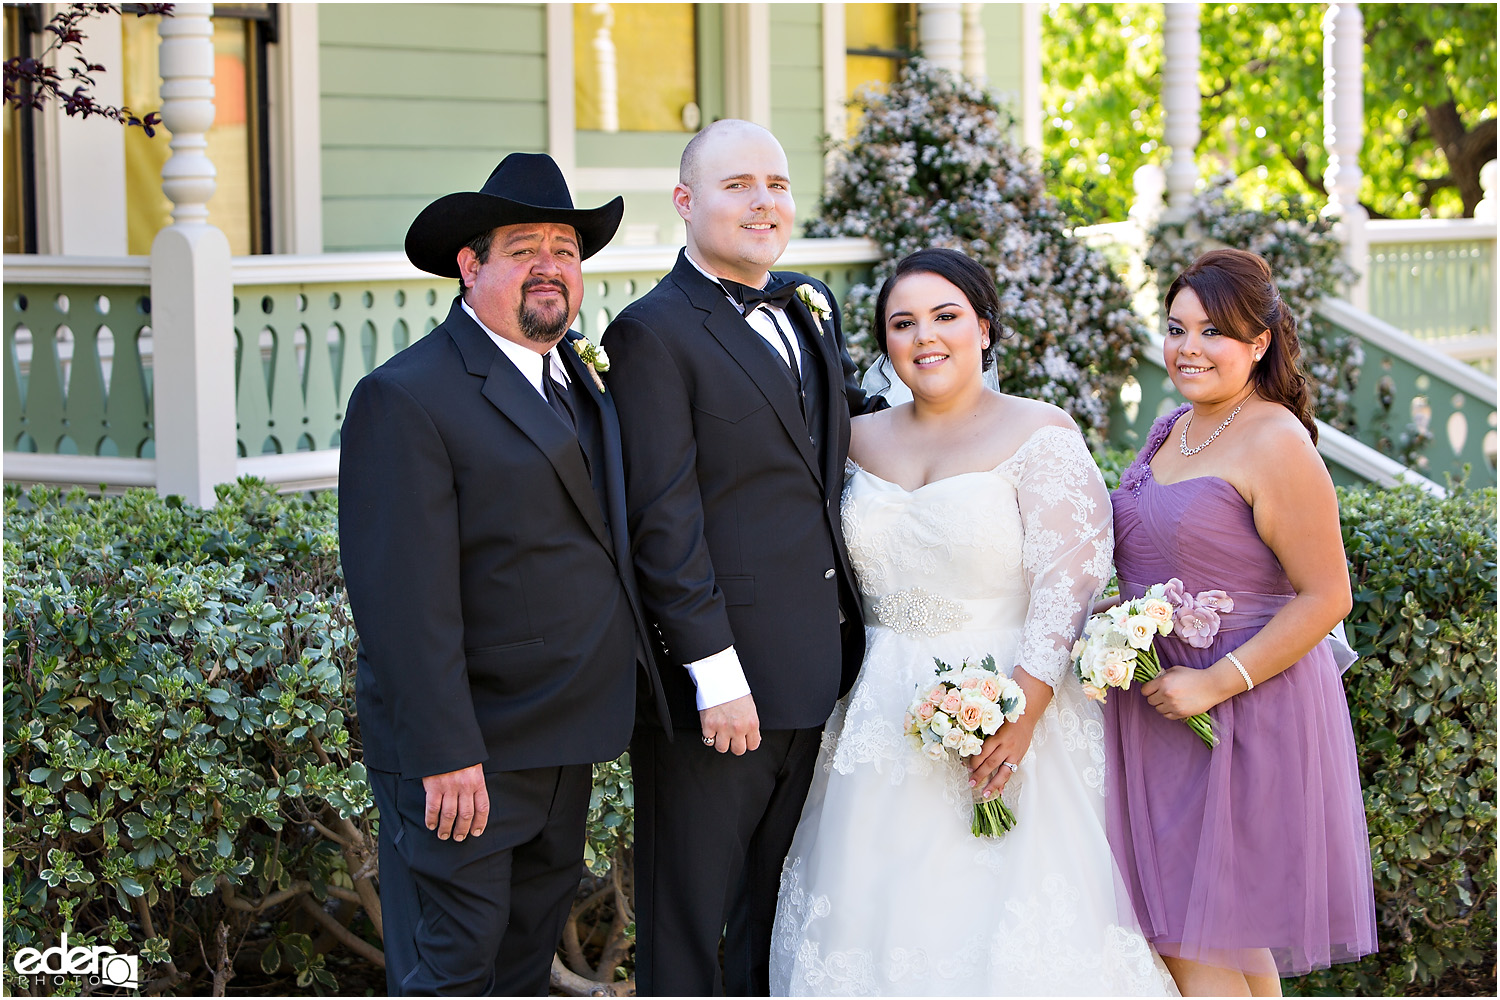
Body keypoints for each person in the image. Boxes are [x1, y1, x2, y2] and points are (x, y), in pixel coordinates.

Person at [769, 248, 1177, 996]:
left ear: (984, 329)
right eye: (903, 323)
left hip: (1016, 700)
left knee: (1007, 923)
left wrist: (1020, 713)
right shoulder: (854, 442)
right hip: (879, 714)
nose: (926, 336)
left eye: (946, 316)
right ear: (885, 343)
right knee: (880, 916)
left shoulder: (1039, 432)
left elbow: (1070, 581)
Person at [338, 153, 669, 996]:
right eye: (526, 248)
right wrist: (445, 752)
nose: (552, 265)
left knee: (521, 967)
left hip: (566, 744)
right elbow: (400, 601)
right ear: (471, 266)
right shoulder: (407, 397)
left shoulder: (582, 383)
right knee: (452, 972)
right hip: (469, 757)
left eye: (566, 247)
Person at [601, 119, 885, 996]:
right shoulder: (651, 333)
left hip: (824, 670)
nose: (764, 202)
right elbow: (664, 518)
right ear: (686, 203)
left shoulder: (806, 305)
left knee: (778, 916)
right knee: (692, 923)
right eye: (737, 186)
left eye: (777, 183)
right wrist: (714, 673)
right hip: (722, 690)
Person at [1105, 248, 1378, 996]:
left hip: (1241, 706)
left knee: (1190, 937)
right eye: (1176, 328)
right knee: (1211, 936)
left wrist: (1214, 684)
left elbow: (1328, 597)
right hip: (1155, 698)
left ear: (1258, 342)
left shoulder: (1276, 440)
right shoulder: (1170, 429)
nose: (1189, 348)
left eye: (1212, 332)